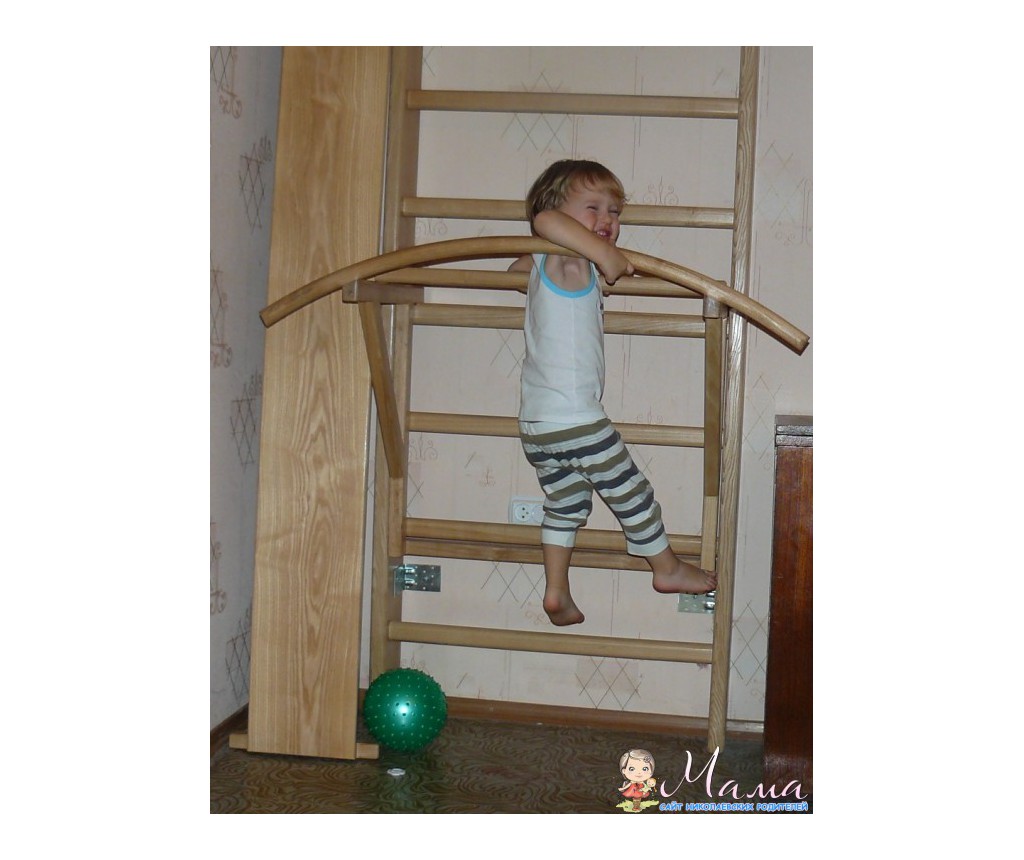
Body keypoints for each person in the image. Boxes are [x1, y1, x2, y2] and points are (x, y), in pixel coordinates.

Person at [510, 159, 717, 627]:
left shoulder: (548, 262)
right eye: (594, 207)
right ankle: (665, 567)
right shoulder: (567, 259)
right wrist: (602, 254)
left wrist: (595, 253)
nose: (608, 219)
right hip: (576, 421)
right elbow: (545, 222)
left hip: (538, 426)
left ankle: (556, 591)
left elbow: (519, 261)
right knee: (631, 492)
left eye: (615, 212)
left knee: (567, 505)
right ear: (558, 210)